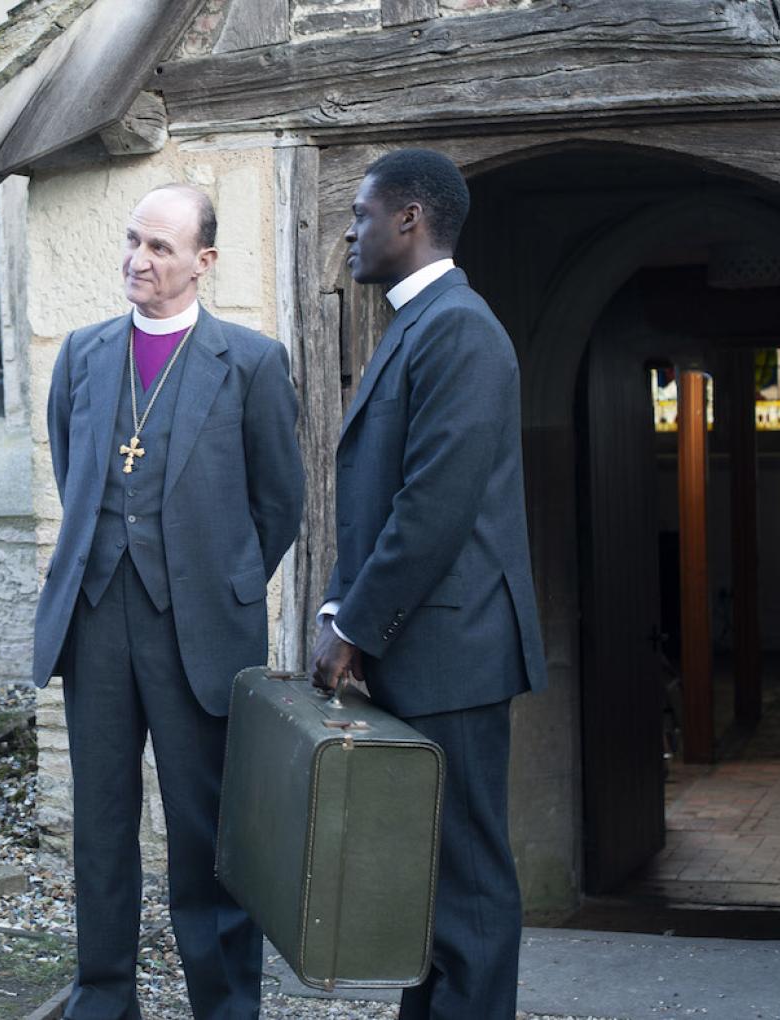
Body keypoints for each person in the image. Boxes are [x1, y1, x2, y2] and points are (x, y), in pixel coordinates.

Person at [33, 183, 306, 1020]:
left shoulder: (251, 362)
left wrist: (219, 580)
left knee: (207, 829)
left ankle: (224, 1006)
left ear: (204, 262)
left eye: (159, 248)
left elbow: (280, 501)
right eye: (132, 241)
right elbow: (71, 459)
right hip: (97, 620)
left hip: (200, 630)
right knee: (102, 826)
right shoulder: (81, 353)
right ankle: (103, 998)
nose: (137, 260)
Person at [310, 148, 547, 1020]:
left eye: (362, 214)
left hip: (454, 649)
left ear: (410, 219)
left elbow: (433, 505)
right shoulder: (417, 322)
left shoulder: (462, 328)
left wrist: (353, 627)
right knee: (428, 885)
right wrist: (342, 607)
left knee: (471, 885)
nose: (348, 230)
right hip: (422, 643)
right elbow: (377, 499)